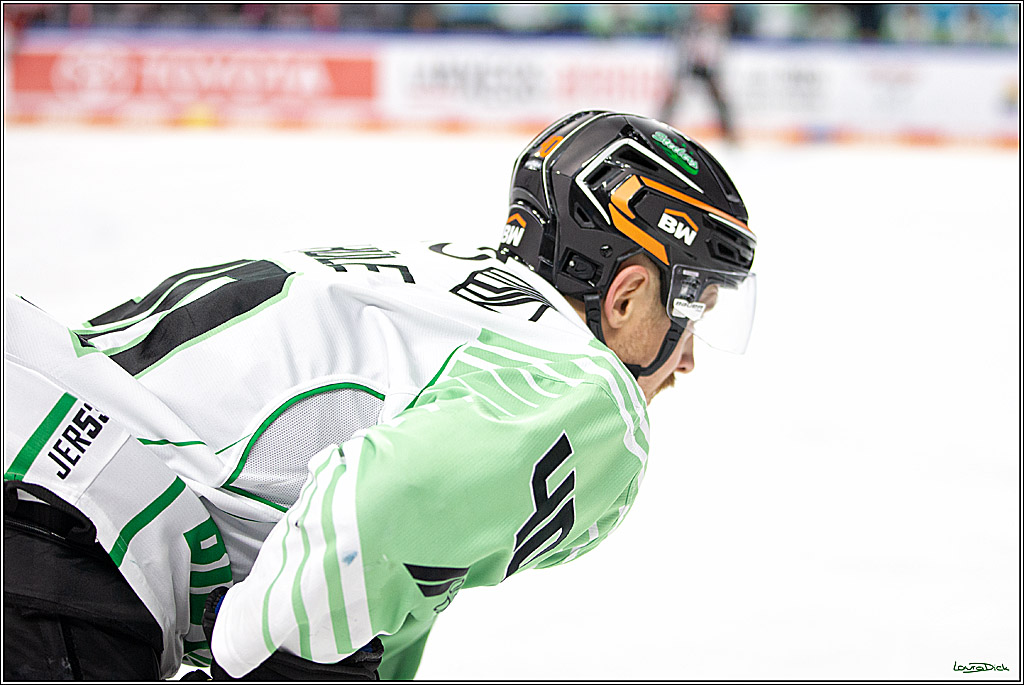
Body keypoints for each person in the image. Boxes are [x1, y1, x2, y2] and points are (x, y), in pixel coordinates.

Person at [3, 110, 757, 680]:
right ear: (625, 297)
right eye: (690, 311)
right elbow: (378, 512)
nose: (687, 357)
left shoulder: (433, 285)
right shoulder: (585, 389)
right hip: (63, 553)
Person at [660, 4, 737, 142]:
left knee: (718, 100)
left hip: (707, 66)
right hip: (689, 64)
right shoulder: (690, 25)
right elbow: (682, 47)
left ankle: (730, 134)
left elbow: (716, 49)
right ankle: (658, 128)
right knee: (673, 99)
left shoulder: (717, 28)